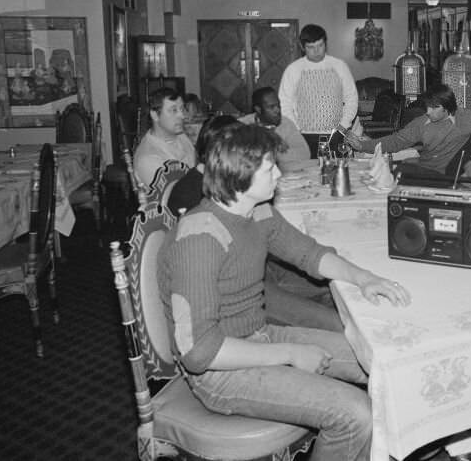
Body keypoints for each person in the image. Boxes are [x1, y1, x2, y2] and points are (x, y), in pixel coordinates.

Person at [159, 122, 410, 461]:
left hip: (258, 335)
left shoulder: (256, 211)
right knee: (355, 414)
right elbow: (200, 353)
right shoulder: (200, 239)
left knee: (381, 360)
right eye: (270, 167)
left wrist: (364, 278)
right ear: (241, 175)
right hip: (220, 372)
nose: (279, 173)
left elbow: (309, 254)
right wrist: (292, 353)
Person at [166, 114, 343, 333]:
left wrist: (363, 277)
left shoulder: (250, 205)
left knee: (337, 290)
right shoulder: (200, 221)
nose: (278, 173)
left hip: (259, 269)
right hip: (244, 296)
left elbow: (305, 251)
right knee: (336, 319)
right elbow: (199, 341)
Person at [343, 84, 471, 176]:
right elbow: (396, 141)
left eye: (434, 107)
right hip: (426, 168)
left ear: (447, 107)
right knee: (385, 170)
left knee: (398, 171)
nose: (428, 111)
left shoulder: (468, 117)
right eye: (427, 106)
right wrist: (363, 146)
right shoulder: (422, 122)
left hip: (448, 173)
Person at [278, 24, 359, 157]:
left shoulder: (339, 66)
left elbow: (351, 99)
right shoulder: (293, 70)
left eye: (320, 45)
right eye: (311, 47)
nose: (317, 51)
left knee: (336, 173)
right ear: (302, 47)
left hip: (336, 134)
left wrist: (343, 126)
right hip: (304, 136)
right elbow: (284, 104)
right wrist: (296, 131)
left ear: (325, 44)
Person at [133, 87, 196, 188]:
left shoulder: (181, 136)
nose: (182, 115)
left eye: (181, 109)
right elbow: (175, 198)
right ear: (155, 115)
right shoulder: (148, 158)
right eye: (173, 110)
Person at [239, 86, 309, 163]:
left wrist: (270, 154)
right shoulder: (242, 124)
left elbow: (304, 153)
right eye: (271, 107)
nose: (277, 110)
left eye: (278, 105)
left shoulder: (286, 124)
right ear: (258, 109)